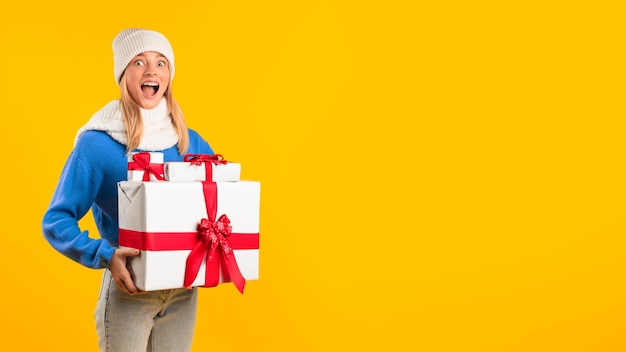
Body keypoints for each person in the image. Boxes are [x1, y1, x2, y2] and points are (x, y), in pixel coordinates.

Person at [42, 28, 213, 352]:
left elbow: (219, 205)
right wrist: (105, 255)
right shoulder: (97, 145)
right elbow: (56, 220)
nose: (151, 71)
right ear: (123, 73)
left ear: (169, 75)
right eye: (139, 62)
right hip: (131, 288)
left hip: (184, 291)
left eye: (161, 62)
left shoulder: (189, 141)